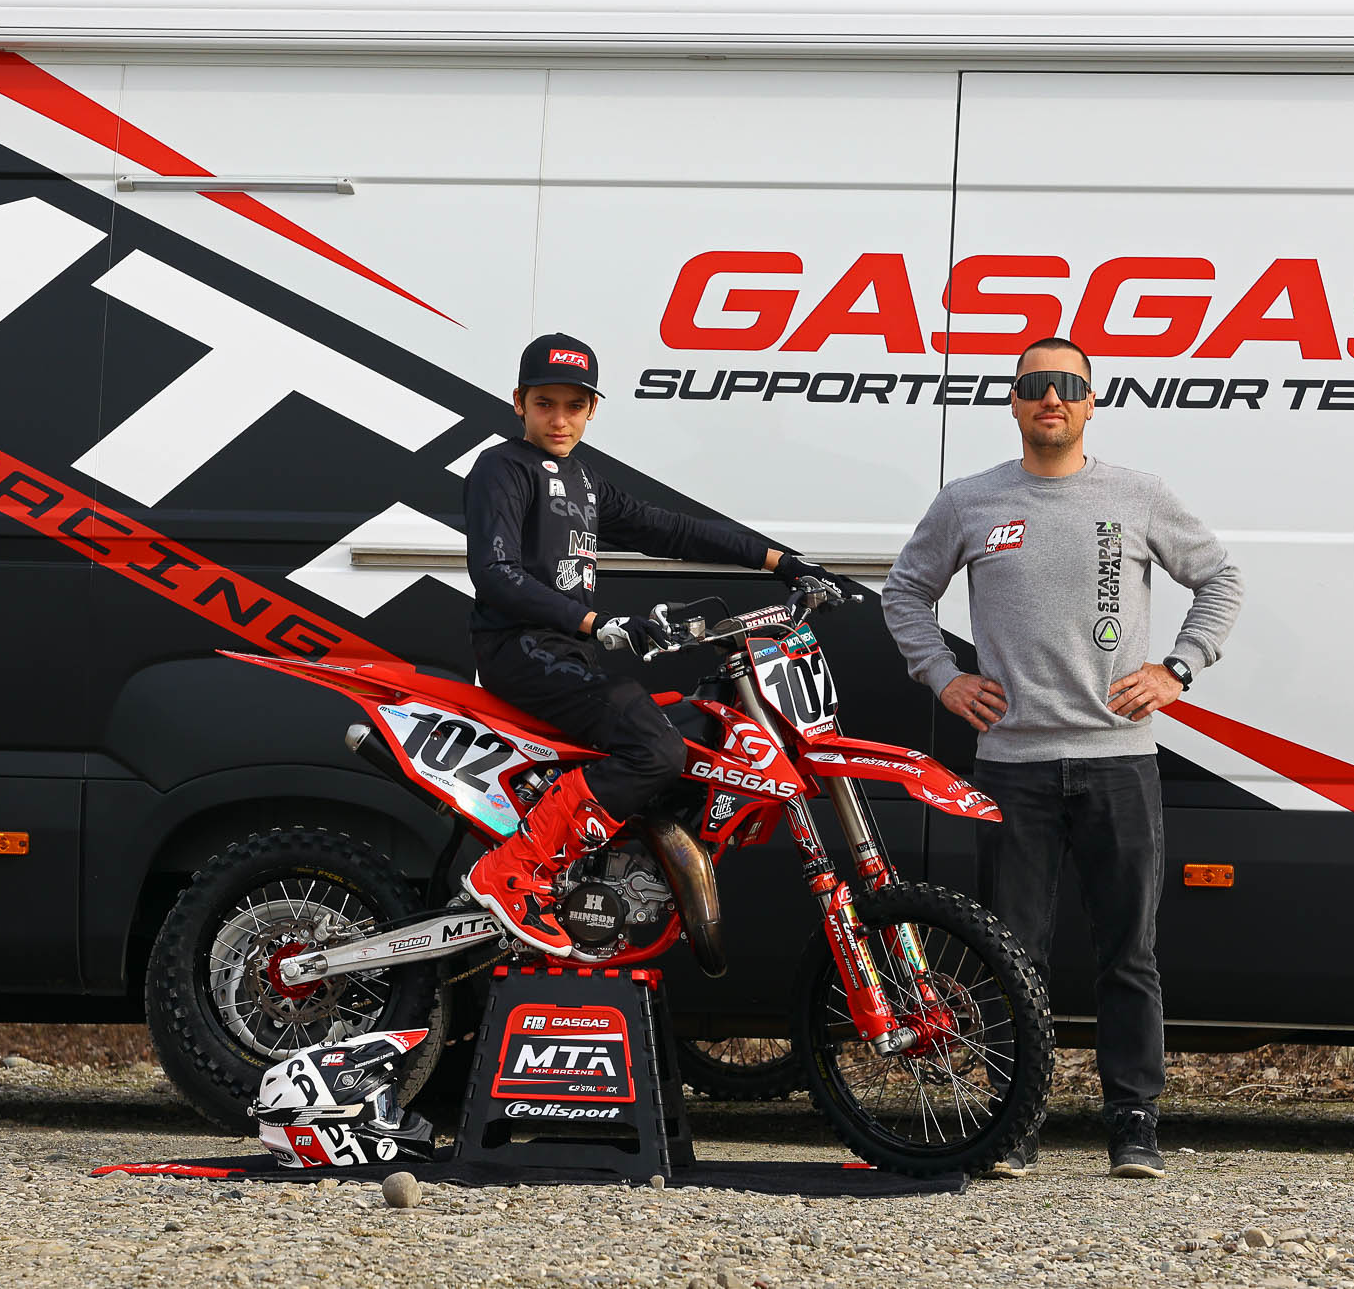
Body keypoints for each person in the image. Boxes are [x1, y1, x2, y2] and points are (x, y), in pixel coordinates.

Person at [881, 336, 1243, 1181]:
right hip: (1014, 765)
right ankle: (1015, 1123)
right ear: (1014, 400)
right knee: (1013, 954)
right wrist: (943, 676)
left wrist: (1178, 667)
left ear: (1090, 402)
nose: (1052, 398)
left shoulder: (1138, 495)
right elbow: (905, 591)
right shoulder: (970, 501)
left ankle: (1134, 1124)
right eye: (1036, 384)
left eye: (1068, 386)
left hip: (1120, 762)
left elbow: (1221, 579)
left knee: (1129, 953)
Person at [463, 331, 843, 955]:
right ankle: (513, 872)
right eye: (544, 404)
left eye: (574, 406)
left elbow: (670, 529)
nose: (559, 419)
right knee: (654, 747)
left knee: (681, 742)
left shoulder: (583, 480)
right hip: (520, 651)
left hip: (567, 655)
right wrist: (596, 623)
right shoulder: (502, 468)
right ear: (518, 403)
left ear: (592, 410)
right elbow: (496, 576)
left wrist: (781, 561)